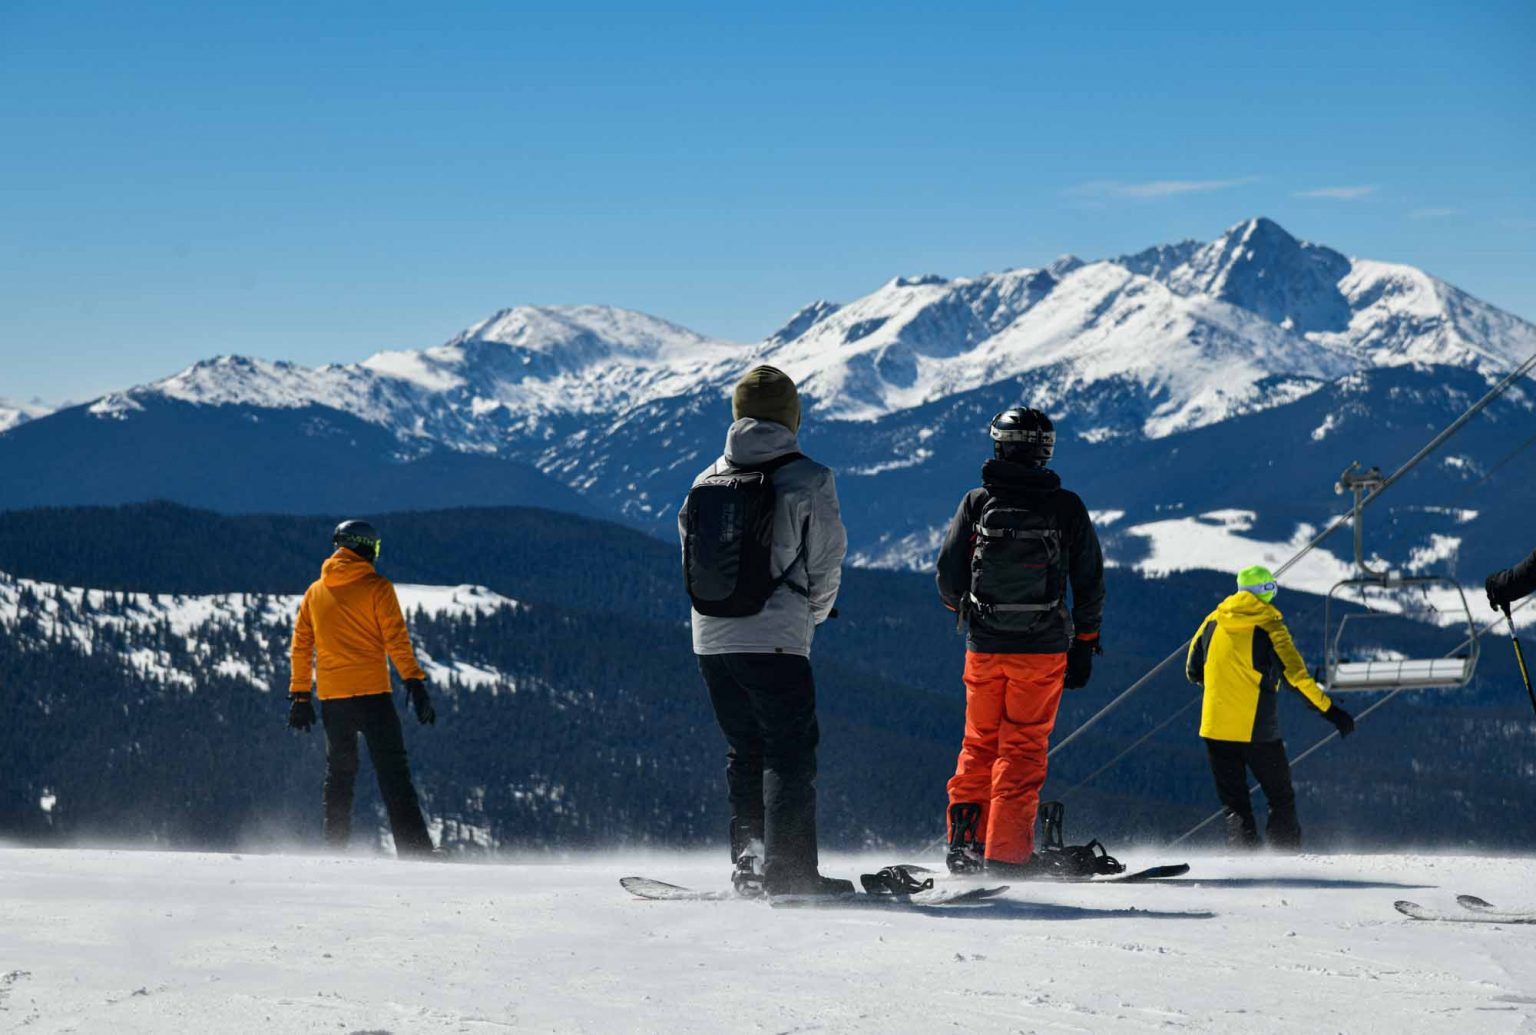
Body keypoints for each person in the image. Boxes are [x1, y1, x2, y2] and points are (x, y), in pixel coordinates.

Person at [678, 365, 851, 897]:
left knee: (744, 750)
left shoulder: (706, 478)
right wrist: (811, 618)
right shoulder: (809, 478)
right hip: (776, 639)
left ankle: (751, 865)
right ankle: (792, 872)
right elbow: (826, 563)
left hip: (710, 638)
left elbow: (690, 551)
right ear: (791, 415)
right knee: (790, 751)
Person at [936, 407, 1106, 878]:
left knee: (978, 745)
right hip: (1043, 650)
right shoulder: (1065, 506)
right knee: (1022, 749)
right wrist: (1085, 643)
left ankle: (964, 845)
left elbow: (949, 579)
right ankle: (1007, 856)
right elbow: (1089, 582)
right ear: (1044, 451)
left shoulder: (975, 502)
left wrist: (971, 615)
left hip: (984, 648)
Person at [288, 520, 438, 858]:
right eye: (376, 548)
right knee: (393, 775)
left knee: (339, 776)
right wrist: (414, 682)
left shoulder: (315, 592)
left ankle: (334, 850)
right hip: (373, 697)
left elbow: (301, 647)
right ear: (364, 547)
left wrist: (300, 696)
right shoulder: (377, 587)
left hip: (333, 700)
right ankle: (416, 852)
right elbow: (395, 639)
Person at [1185, 565, 1355, 850]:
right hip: (1257, 729)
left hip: (1214, 727)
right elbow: (1297, 678)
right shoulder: (1270, 626)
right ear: (1266, 591)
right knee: (1279, 797)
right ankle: (1283, 856)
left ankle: (1246, 865)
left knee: (1234, 805)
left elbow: (1192, 670)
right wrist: (1332, 712)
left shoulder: (1212, 621)